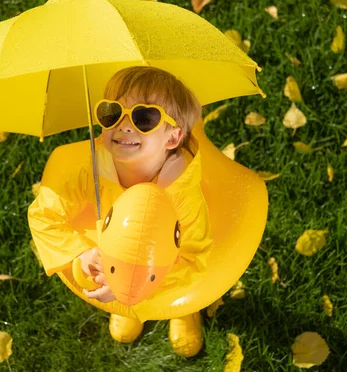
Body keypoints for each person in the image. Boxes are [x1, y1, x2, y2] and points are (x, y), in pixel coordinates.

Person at [28, 66, 213, 357]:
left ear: (172, 139)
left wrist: (133, 285)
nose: (124, 125)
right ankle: (129, 305)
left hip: (165, 265)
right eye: (112, 113)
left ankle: (184, 311)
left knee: (179, 289)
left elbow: (193, 259)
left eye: (144, 118)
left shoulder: (182, 195)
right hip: (115, 244)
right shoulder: (88, 167)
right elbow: (43, 215)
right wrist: (79, 253)